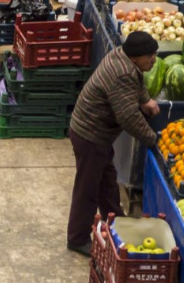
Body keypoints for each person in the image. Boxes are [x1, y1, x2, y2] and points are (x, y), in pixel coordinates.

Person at [66, 31, 161, 255]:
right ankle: (77, 238)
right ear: (137, 57)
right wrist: (151, 139)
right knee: (87, 189)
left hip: (97, 135)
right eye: (151, 56)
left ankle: (117, 224)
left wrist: (145, 99)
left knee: (107, 183)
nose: (154, 60)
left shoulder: (124, 57)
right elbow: (128, 117)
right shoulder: (122, 74)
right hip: (90, 135)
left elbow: (137, 83)